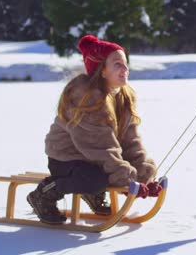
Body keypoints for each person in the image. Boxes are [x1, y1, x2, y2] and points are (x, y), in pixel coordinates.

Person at [27, 35, 160, 225]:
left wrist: (143, 176)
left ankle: (92, 194)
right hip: (66, 158)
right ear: (102, 70)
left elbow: (131, 143)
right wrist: (128, 180)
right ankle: (44, 194)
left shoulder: (123, 97)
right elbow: (101, 148)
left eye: (125, 63)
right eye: (117, 64)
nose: (125, 69)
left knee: (102, 173)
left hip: (93, 158)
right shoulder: (86, 99)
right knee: (95, 180)